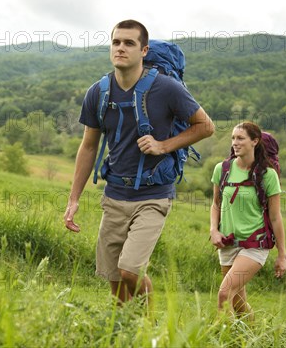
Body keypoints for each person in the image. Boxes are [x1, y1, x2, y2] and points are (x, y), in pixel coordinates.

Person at [63, 19, 214, 308]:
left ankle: (150, 327)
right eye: (116, 42)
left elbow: (205, 127)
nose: (121, 48)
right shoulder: (98, 91)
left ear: (143, 50)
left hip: (153, 196)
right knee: (114, 282)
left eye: (129, 43)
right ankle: (125, 331)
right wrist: (73, 198)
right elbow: (89, 146)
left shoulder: (167, 88)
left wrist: (163, 145)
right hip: (115, 195)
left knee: (129, 270)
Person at [209, 122, 286, 319]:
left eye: (240, 138)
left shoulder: (268, 175)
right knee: (237, 301)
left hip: (255, 244)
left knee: (224, 294)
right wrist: (213, 230)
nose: (235, 143)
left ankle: (220, 339)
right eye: (233, 138)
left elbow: (275, 216)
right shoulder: (222, 169)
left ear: (255, 141)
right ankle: (254, 336)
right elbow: (216, 204)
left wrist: (281, 254)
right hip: (228, 242)